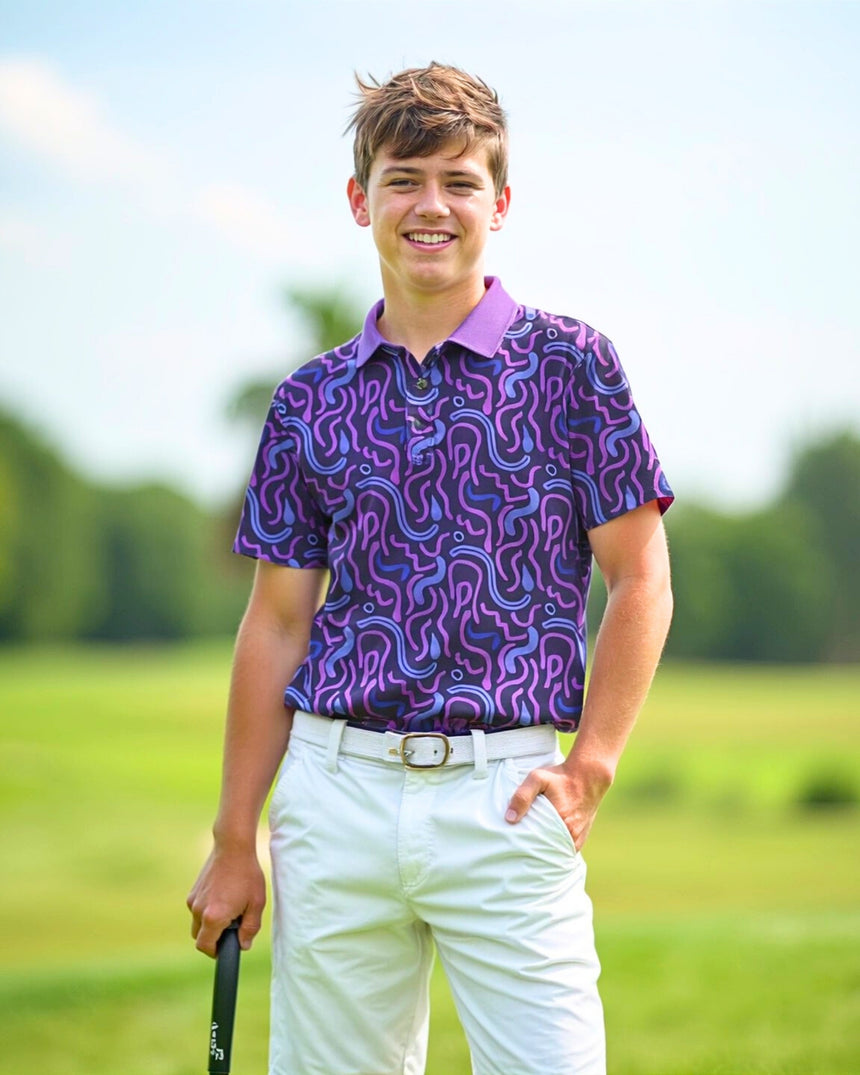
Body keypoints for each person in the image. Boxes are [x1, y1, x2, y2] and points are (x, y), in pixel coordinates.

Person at [188, 62, 674, 1075]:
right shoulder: (308, 401)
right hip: (334, 794)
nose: (431, 206)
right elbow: (275, 624)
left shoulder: (571, 366)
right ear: (361, 199)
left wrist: (593, 760)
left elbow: (639, 579)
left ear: (498, 203)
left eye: (458, 181)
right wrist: (238, 837)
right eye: (404, 178)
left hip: (506, 794)